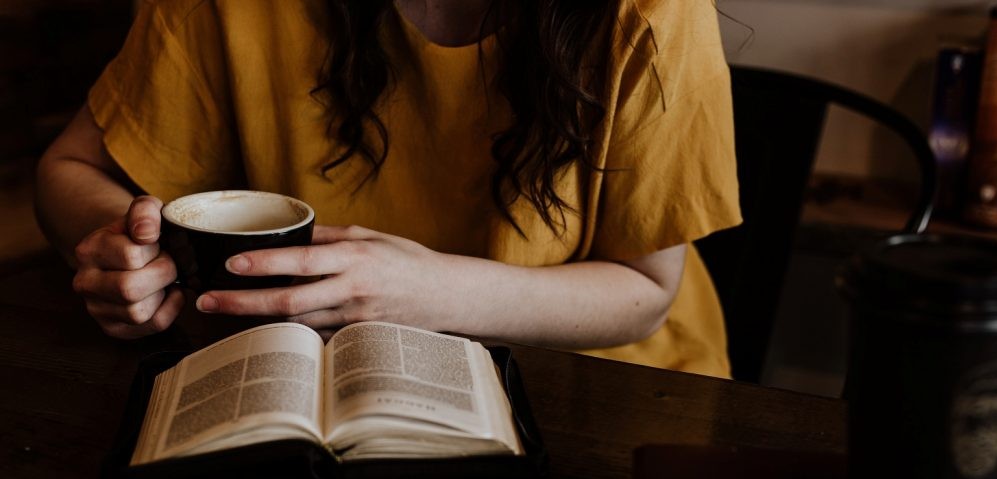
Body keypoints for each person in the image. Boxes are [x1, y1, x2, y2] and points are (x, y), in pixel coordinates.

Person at [35, 0, 741, 377]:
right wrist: (120, 248)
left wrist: (426, 294)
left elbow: (646, 292)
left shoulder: (653, 10)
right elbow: (68, 171)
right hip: (297, 378)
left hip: (596, 386)